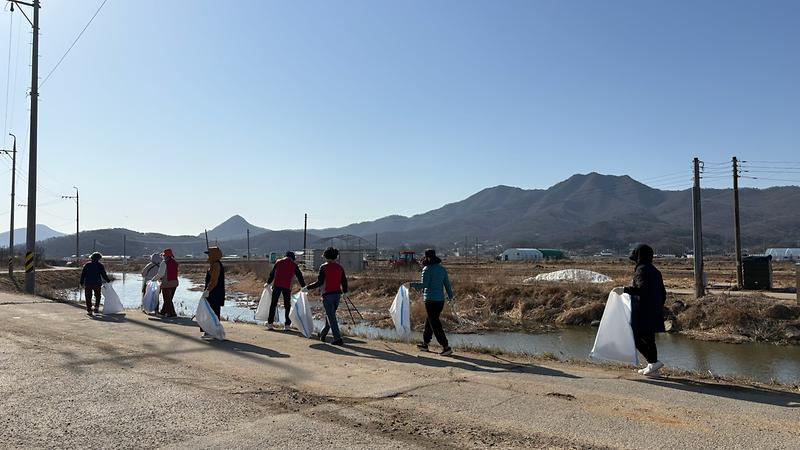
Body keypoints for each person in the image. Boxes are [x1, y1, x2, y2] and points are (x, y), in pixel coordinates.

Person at [615, 244, 667, 376]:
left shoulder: (641, 270)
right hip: (654, 310)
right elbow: (663, 293)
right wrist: (658, 306)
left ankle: (653, 362)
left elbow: (641, 289)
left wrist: (625, 290)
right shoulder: (655, 271)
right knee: (650, 340)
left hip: (643, 310)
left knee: (634, 337)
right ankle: (653, 368)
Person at [409, 249, 454, 356]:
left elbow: (424, 285)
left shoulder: (427, 269)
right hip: (440, 301)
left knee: (434, 323)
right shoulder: (442, 269)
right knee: (430, 320)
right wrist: (450, 296)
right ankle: (425, 343)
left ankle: (446, 346)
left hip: (430, 300)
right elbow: (447, 284)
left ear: (427, 258)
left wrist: (411, 284)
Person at [305, 247, 348, 345]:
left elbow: (319, 282)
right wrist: (345, 292)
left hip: (327, 295)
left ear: (325, 256)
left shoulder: (323, 267)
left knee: (331, 317)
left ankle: (337, 339)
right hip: (337, 295)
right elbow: (344, 281)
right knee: (330, 316)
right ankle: (323, 334)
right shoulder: (340, 267)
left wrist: (307, 287)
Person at [265, 251, 306, 330]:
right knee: (287, 306)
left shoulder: (278, 262)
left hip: (276, 285)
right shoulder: (294, 265)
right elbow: (299, 276)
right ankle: (287, 325)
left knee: (273, 304)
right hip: (287, 287)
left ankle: (270, 323)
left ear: (285, 256)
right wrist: (304, 286)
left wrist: (268, 282)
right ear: (292, 258)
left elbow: (272, 273)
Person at [200, 246, 225, 339]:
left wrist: (208, 290)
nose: (208, 256)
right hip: (214, 292)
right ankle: (212, 332)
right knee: (212, 312)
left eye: (209, 254)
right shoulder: (214, 264)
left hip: (214, 293)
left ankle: (212, 332)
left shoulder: (216, 265)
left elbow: (214, 280)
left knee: (212, 313)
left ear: (214, 254)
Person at [80, 252, 112, 317]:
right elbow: (104, 275)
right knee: (97, 295)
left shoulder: (87, 265)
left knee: (88, 296)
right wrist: (108, 281)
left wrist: (81, 282)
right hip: (97, 283)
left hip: (88, 283)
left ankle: (89, 310)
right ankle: (96, 307)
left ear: (91, 257)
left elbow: (83, 274)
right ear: (99, 258)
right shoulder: (100, 265)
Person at [152, 248, 180, 317]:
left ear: (165, 256)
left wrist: (153, 280)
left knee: (167, 300)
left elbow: (160, 274)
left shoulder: (164, 263)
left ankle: (172, 314)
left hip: (167, 283)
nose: (163, 256)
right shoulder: (175, 262)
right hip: (174, 283)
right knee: (168, 299)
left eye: (163, 255)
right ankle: (163, 312)